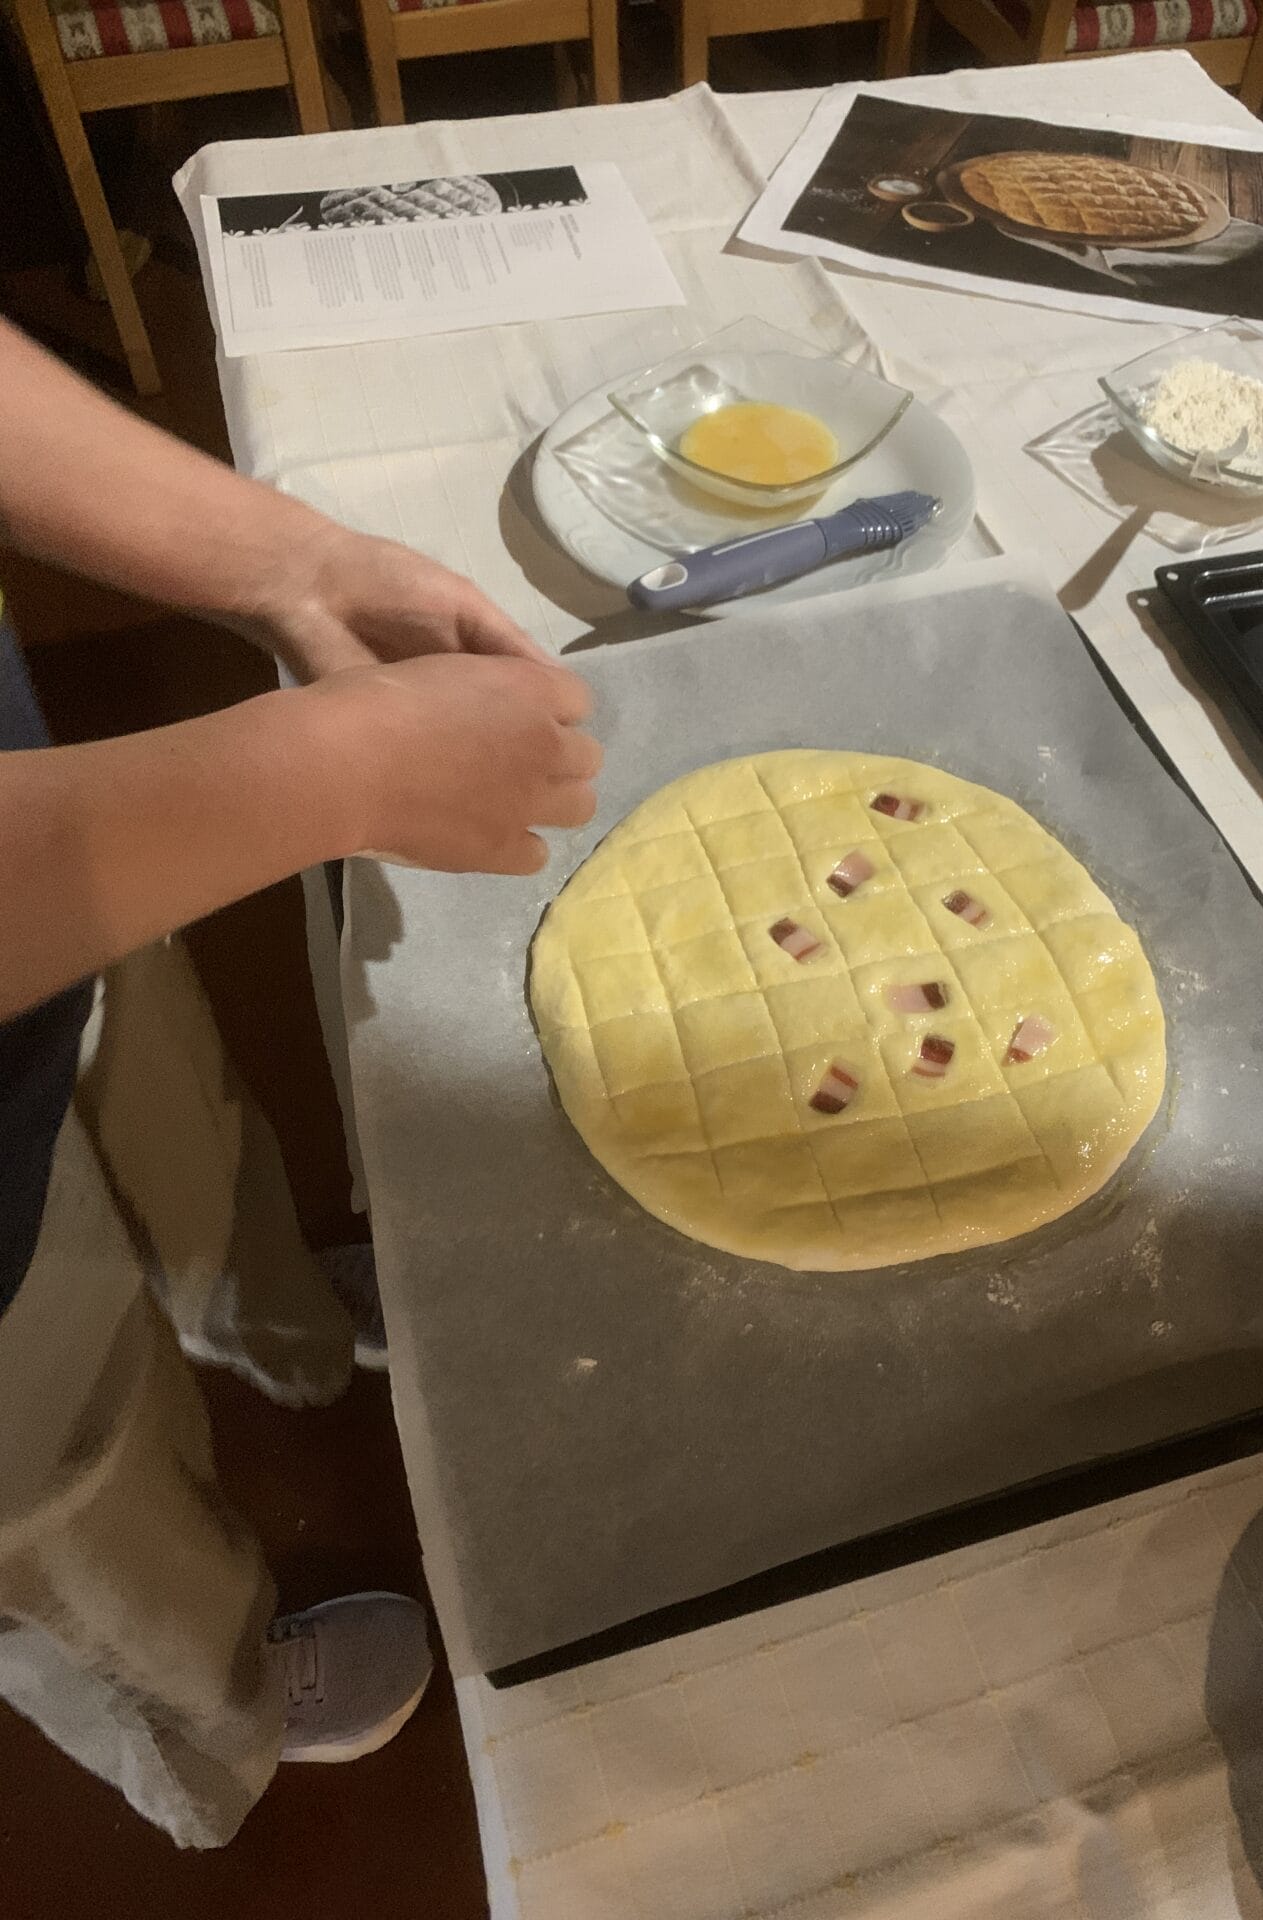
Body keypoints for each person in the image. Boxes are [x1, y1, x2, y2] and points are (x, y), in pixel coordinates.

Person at [0, 316, 602, 1847]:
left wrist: (297, 567)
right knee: (68, 1500)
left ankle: (283, 1326)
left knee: (167, 1125)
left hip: (56, 847)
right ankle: (216, 1719)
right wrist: (323, 774)